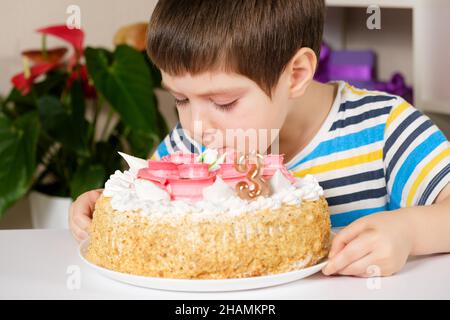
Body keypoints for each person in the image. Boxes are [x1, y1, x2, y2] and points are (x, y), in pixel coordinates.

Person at [69, 0, 450, 277]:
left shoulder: (381, 128)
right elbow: (147, 207)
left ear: (296, 74)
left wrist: (408, 232)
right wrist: (103, 207)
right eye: (181, 99)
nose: (198, 126)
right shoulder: (191, 148)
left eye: (224, 101)